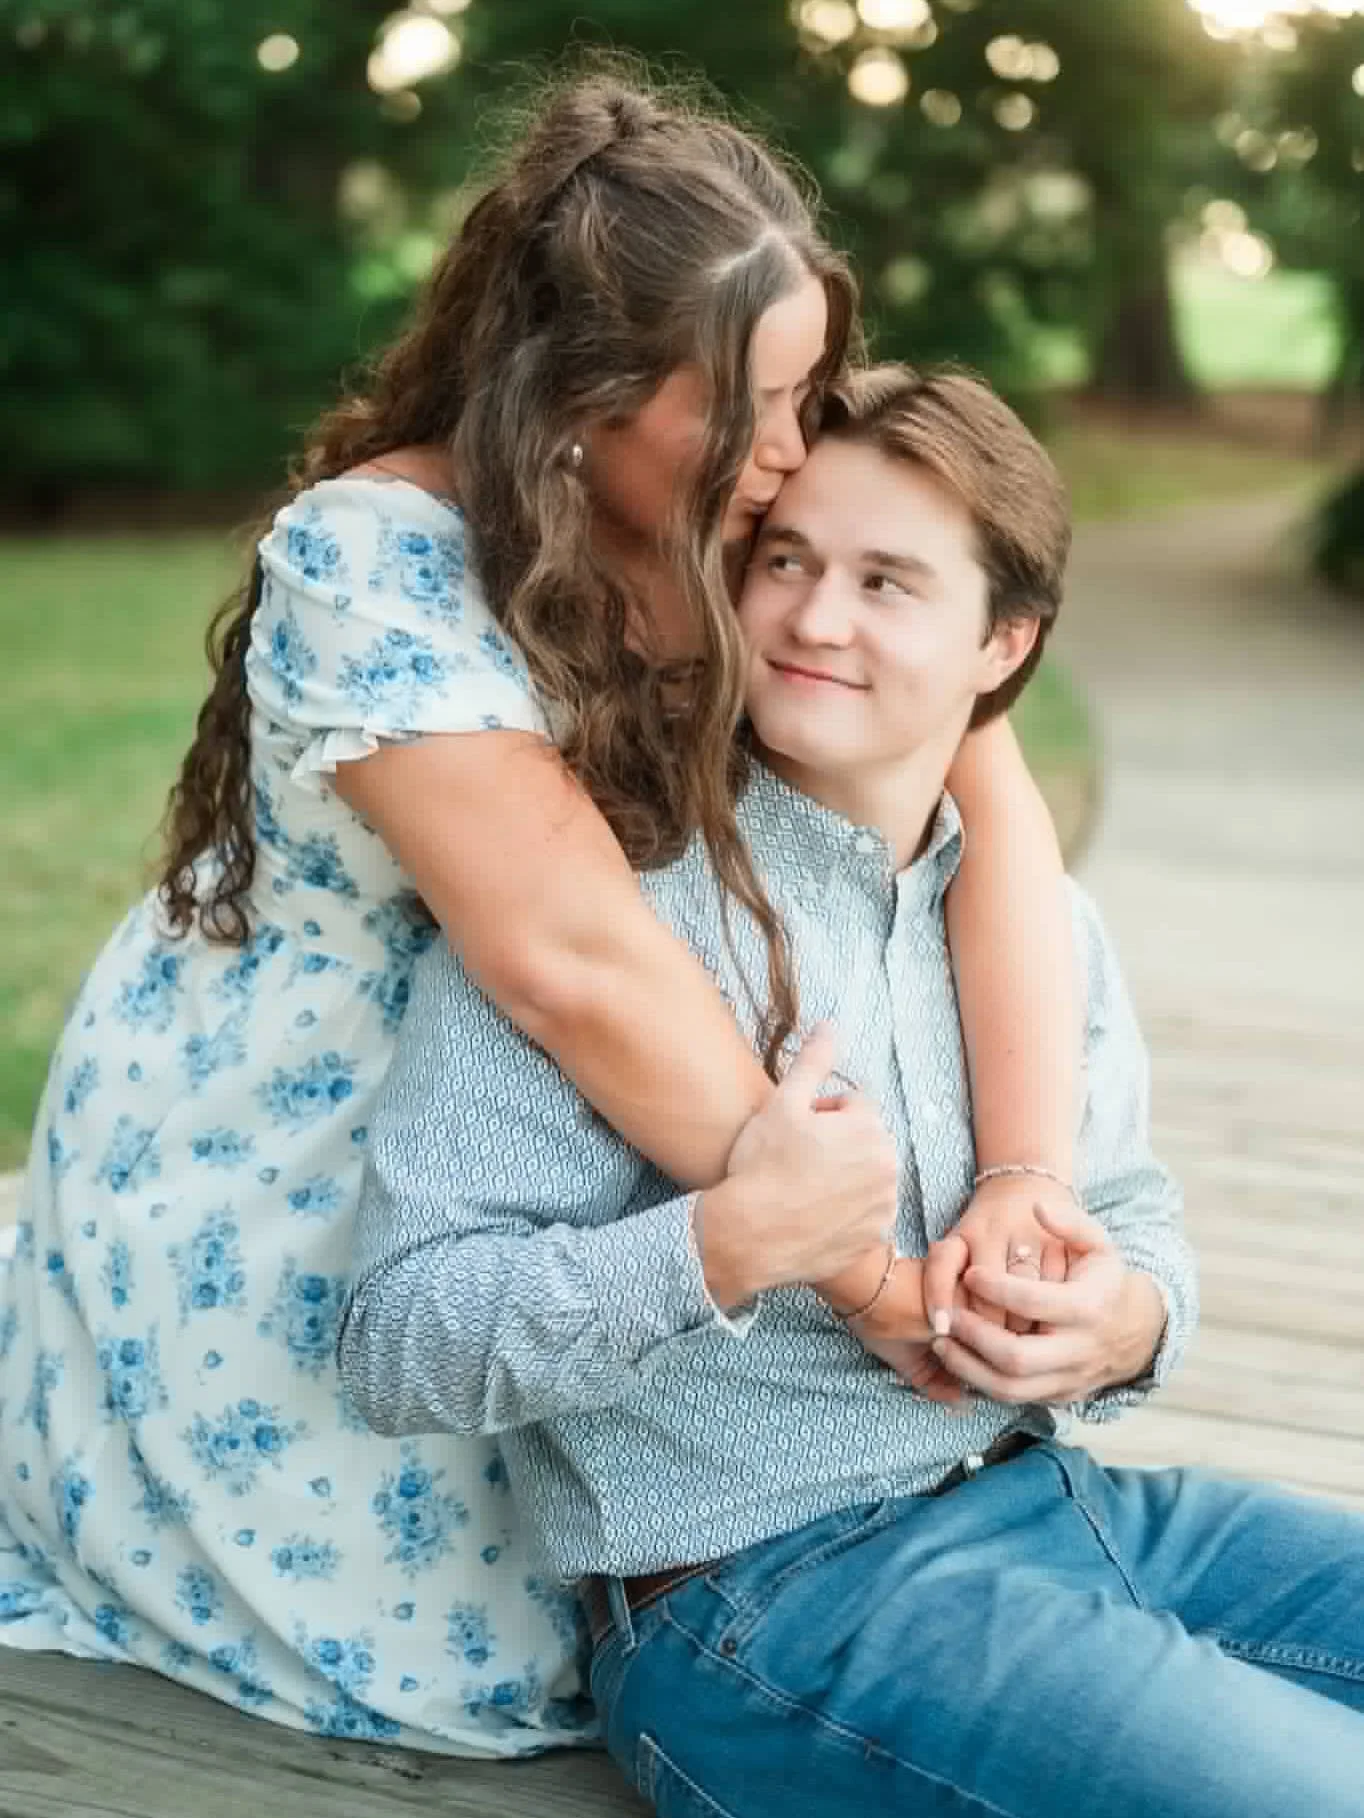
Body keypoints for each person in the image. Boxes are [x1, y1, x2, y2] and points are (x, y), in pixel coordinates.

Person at [0, 70, 1077, 1754]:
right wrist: (861, 1273)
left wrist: (1028, 1178)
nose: (799, 452)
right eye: (762, 403)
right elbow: (570, 959)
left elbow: (988, 799)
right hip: (315, 1146)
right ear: (585, 390)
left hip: (587, 1132)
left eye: (807, 390)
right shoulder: (377, 562)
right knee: (485, 1646)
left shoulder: (725, 500)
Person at [341, 364, 1364, 1816]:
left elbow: (1133, 1210)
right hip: (768, 1597)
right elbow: (398, 1338)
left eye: (889, 581)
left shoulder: (1037, 928)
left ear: (1002, 642)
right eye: (787, 563)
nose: (819, 619)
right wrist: (725, 1244)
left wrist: (1118, 1315)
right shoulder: (605, 905)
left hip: (1070, 1505)